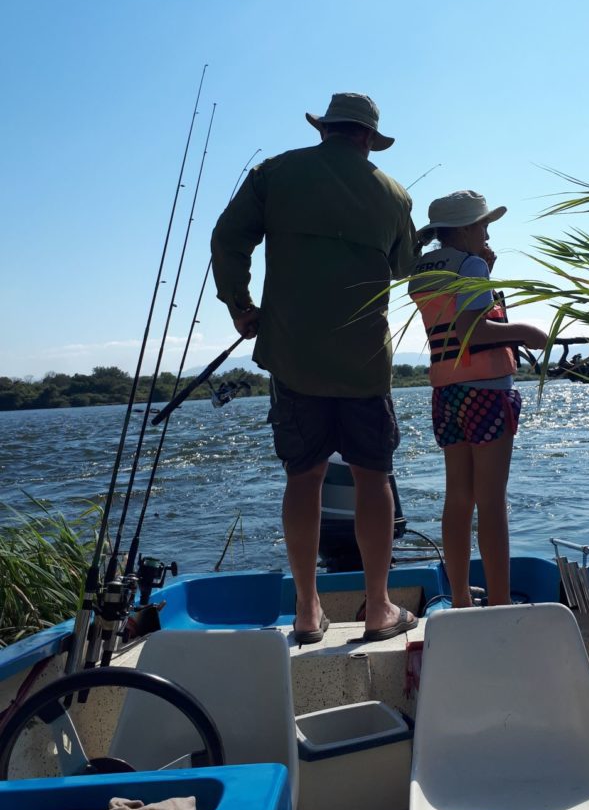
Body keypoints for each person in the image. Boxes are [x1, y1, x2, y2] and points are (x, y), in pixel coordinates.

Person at [211, 92, 419, 644]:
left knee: (304, 478)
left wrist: (240, 304)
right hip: (364, 363)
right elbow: (404, 267)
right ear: (368, 139)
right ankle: (378, 608)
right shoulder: (395, 194)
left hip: (292, 358)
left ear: (326, 129)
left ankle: (306, 612)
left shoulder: (275, 174)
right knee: (373, 479)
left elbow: (228, 239)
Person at [408, 191, 547, 608]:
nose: (487, 232)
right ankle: (501, 600)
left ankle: (463, 599)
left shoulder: (424, 269)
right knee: (491, 501)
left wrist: (485, 272)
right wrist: (528, 332)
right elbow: (475, 330)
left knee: (458, 498)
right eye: (483, 225)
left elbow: (450, 318)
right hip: (486, 392)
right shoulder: (469, 265)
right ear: (467, 229)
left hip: (446, 392)